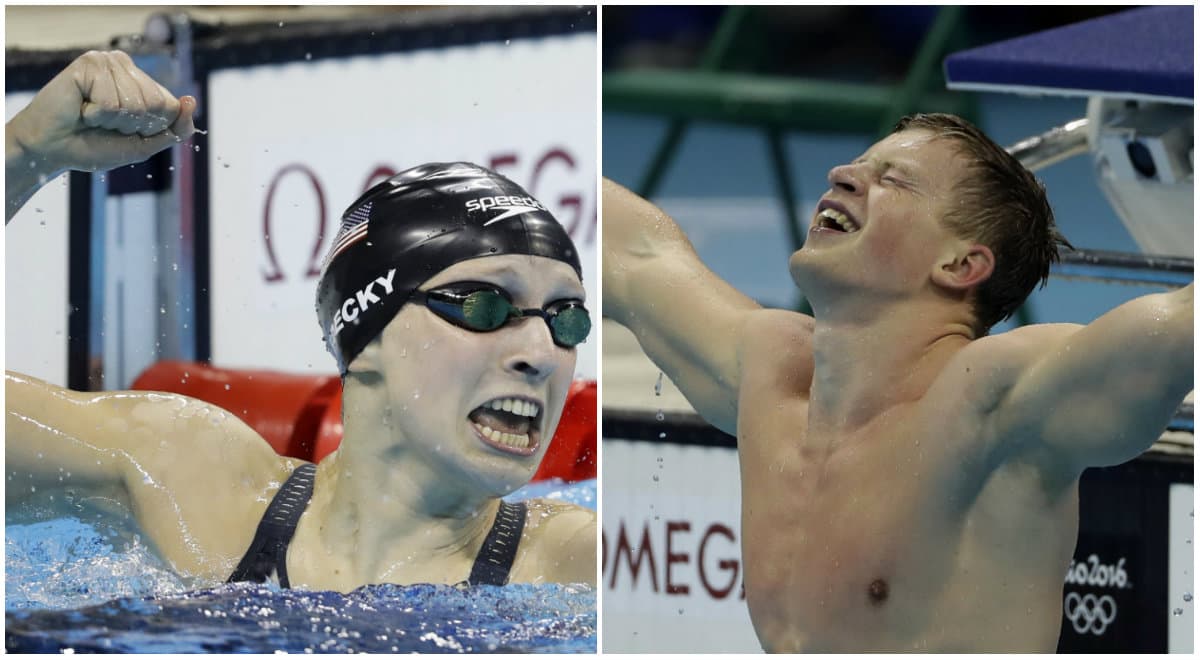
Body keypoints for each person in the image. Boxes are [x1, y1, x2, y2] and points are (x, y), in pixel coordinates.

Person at [6, 50, 596, 592]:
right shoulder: (190, 486)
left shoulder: (567, 562)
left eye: (565, 318)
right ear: (366, 335)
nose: (542, 352)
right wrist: (24, 151)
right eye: (483, 306)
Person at [603, 114, 1193, 652]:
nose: (843, 174)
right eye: (859, 163)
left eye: (894, 180)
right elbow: (636, 253)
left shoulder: (996, 406)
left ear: (962, 264)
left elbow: (1167, 331)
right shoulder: (773, 376)